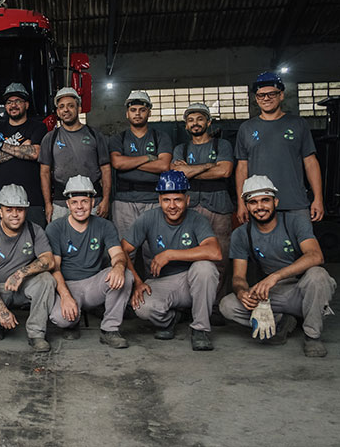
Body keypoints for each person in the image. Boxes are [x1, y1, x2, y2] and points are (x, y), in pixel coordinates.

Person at [220, 175, 336, 357]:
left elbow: (316, 256)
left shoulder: (295, 221)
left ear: (276, 201)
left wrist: (274, 276)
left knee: (318, 275)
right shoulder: (242, 234)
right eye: (253, 202)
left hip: (303, 290)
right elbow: (238, 277)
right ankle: (281, 321)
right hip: (273, 294)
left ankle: (312, 336)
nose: (259, 207)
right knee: (228, 305)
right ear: (247, 206)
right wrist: (242, 292)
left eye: (265, 200)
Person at [123, 170, 221, 351]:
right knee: (141, 307)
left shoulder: (197, 219)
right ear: (159, 201)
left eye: (177, 199)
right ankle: (173, 319)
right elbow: (123, 250)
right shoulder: (148, 218)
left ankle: (200, 329)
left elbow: (215, 252)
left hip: (192, 282)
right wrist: (137, 282)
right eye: (167, 200)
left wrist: (170, 254)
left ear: (187, 200)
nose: (172, 205)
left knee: (205, 268)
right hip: (163, 282)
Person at [45, 176, 131, 348]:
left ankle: (110, 330)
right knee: (60, 319)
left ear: (93, 203)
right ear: (68, 204)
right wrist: (66, 296)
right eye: (75, 202)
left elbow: (118, 255)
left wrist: (119, 267)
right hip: (68, 284)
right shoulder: (55, 228)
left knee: (126, 276)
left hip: (94, 284)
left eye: (84, 201)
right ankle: (73, 320)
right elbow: (54, 268)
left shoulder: (104, 226)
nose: (80, 207)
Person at [0, 184, 55, 352]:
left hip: (24, 286)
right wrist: (2, 310)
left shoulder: (34, 231)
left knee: (47, 279)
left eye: (20, 209)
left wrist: (21, 273)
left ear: (26, 210)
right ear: (0, 211)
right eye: (9, 210)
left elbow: (49, 261)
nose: (15, 215)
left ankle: (36, 333)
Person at [235, 72, 324, 223]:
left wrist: (318, 198)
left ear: (281, 95)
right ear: (256, 99)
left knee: (301, 245)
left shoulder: (298, 124)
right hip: (259, 206)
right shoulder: (246, 128)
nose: (266, 98)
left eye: (271, 94)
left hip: (295, 204)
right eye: (261, 95)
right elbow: (242, 168)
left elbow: (310, 162)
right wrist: (241, 203)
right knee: (263, 246)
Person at [171, 102, 234, 313]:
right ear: (186, 126)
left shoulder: (222, 145)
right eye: (190, 120)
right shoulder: (181, 148)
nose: (195, 123)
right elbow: (178, 174)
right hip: (189, 207)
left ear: (208, 122)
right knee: (189, 254)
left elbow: (224, 171)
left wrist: (191, 170)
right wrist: (209, 165)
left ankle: (215, 306)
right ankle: (189, 304)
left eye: (199, 119)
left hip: (219, 206)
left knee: (220, 257)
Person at [39, 87, 111, 222]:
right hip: (61, 202)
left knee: (92, 240)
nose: (66, 110)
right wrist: (48, 204)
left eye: (70, 106)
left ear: (78, 109)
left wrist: (106, 200)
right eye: (61, 107)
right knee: (59, 241)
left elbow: (106, 169)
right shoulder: (50, 138)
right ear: (58, 112)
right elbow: (44, 172)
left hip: (92, 201)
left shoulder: (95, 135)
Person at [109, 91, 172, 239]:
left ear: (149, 112)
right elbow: (117, 163)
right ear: (127, 113)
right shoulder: (118, 138)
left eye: (142, 110)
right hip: (124, 201)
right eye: (133, 110)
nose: (137, 114)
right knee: (125, 248)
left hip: (154, 200)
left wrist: (129, 162)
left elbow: (163, 166)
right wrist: (149, 158)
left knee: (154, 249)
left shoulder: (160, 137)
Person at [0, 83, 48, 225]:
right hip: (0, 202)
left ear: (26, 104)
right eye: (9, 102)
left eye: (18, 101)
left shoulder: (38, 126)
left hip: (32, 201)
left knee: (35, 245)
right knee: (0, 246)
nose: (13, 105)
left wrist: (1, 146)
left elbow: (35, 153)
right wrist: (21, 148)